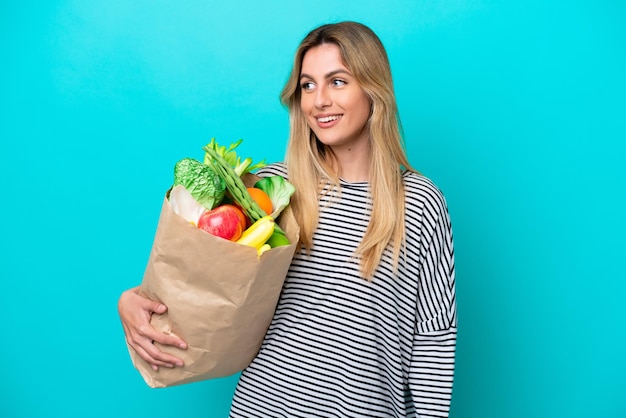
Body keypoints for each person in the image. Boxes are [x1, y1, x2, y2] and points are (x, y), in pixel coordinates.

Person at [118, 21, 456, 418]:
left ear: (373, 89)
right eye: (308, 86)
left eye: (338, 81)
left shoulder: (418, 202)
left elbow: (433, 341)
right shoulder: (273, 191)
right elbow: (203, 276)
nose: (319, 101)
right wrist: (132, 300)